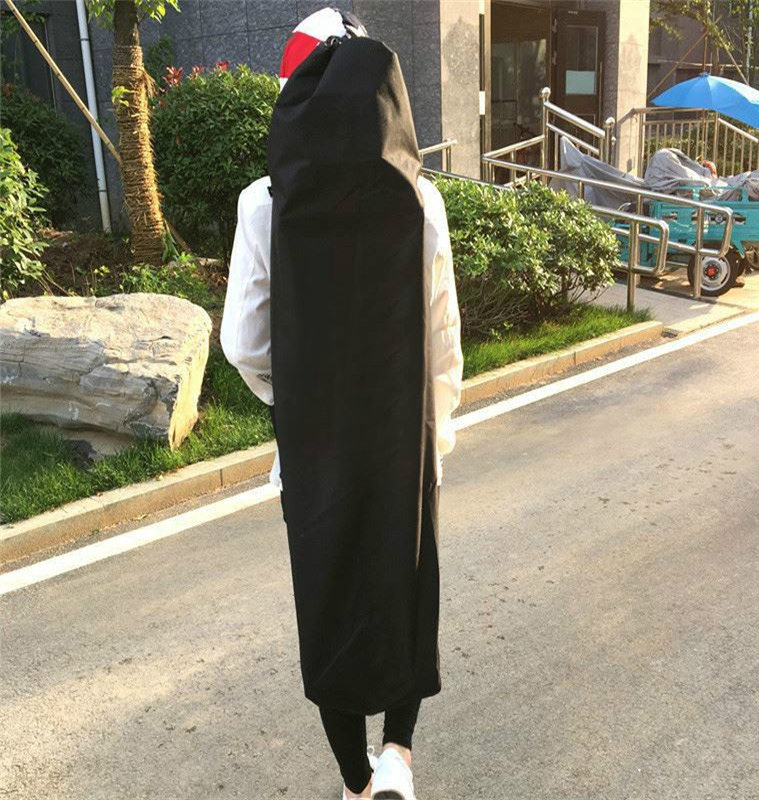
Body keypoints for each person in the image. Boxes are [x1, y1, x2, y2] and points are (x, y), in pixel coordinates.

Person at [220, 7, 463, 799]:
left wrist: (298, 398)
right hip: (402, 440)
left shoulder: (265, 202)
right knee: (401, 583)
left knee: (329, 594)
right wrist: (437, 434)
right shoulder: (421, 200)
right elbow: (441, 334)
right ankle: (398, 756)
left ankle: (355, 779)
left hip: (313, 447)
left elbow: (244, 343)